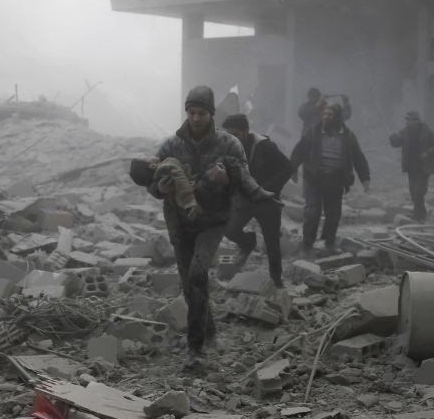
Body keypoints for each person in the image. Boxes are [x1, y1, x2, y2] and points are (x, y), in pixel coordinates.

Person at [129, 86, 280, 368]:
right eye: (192, 112)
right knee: (189, 284)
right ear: (187, 113)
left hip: (212, 221)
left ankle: (195, 348)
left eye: (202, 113)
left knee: (199, 274)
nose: (196, 118)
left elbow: (243, 179)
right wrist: (160, 188)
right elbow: (153, 185)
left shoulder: (229, 144)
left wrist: (257, 193)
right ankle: (208, 329)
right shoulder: (170, 146)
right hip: (180, 224)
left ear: (211, 114)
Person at [221, 113, 293, 287]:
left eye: (235, 134)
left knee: (271, 242)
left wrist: (266, 189)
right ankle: (248, 243)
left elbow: (287, 167)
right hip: (245, 200)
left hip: (267, 201)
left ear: (246, 131)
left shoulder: (265, 146)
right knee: (229, 229)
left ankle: (276, 279)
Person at [290, 103, 370, 254]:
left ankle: (329, 242)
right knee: (312, 211)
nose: (326, 118)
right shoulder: (314, 131)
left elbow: (358, 157)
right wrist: (293, 169)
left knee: (333, 213)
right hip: (315, 178)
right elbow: (300, 149)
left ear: (338, 117)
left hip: (336, 179)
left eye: (330, 115)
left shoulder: (348, 136)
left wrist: (365, 177)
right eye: (324, 114)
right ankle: (307, 245)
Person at [389, 111, 434, 222]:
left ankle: (418, 217)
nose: (407, 122)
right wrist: (392, 138)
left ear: (417, 121)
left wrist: (427, 153)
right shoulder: (404, 132)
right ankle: (421, 214)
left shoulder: (427, 132)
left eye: (410, 120)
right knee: (413, 193)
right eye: (407, 120)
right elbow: (396, 143)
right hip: (411, 167)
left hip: (424, 167)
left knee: (419, 192)